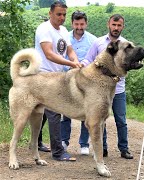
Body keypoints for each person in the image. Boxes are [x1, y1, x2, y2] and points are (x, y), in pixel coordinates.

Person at [81, 14, 133, 159]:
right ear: (108, 24)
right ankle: (102, 149)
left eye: (119, 25)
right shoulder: (98, 43)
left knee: (121, 120)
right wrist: (81, 67)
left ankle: (124, 149)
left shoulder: (126, 45)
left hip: (119, 89)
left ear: (123, 26)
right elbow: (88, 59)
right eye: (114, 25)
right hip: (100, 91)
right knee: (100, 119)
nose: (116, 28)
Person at [35, 1, 81, 161]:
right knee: (54, 112)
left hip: (58, 76)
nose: (62, 18)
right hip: (43, 76)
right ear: (50, 13)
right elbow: (48, 54)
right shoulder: (44, 29)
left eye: (64, 15)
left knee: (44, 113)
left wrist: (75, 60)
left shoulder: (63, 30)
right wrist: (70, 63)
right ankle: (58, 152)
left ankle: (37, 142)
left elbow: (69, 50)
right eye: (58, 14)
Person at [60, 10, 97, 155]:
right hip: (66, 79)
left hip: (86, 82)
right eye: (77, 24)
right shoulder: (64, 38)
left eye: (82, 24)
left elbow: (95, 60)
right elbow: (59, 57)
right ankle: (64, 141)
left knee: (86, 112)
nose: (79, 27)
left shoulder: (93, 40)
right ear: (72, 23)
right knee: (65, 110)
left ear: (86, 24)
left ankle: (84, 144)